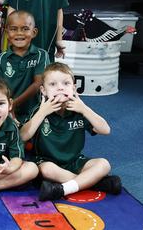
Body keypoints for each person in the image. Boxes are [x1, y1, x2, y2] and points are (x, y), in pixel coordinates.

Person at [20, 62, 122, 201]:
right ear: (43, 90)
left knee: (104, 164)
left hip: (74, 161)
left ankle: (63, 189)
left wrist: (84, 108)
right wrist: (42, 113)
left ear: (73, 88)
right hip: (47, 162)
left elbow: (105, 130)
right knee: (47, 170)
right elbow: (23, 136)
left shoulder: (78, 109)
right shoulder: (39, 109)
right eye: (53, 84)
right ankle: (95, 183)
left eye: (66, 83)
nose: (60, 88)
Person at [0, 10, 49, 124]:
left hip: (35, 111)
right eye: (13, 29)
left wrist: (14, 104)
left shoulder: (41, 55)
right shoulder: (1, 58)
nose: (19, 33)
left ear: (34, 32)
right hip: (7, 111)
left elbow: (38, 83)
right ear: (6, 33)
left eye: (25, 29)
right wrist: (8, 107)